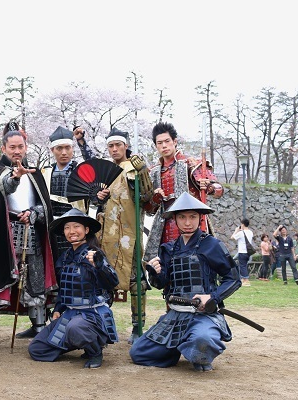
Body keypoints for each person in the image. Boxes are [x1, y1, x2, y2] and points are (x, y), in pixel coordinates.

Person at [129, 192, 241, 372]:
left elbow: (234, 279)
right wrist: (154, 273)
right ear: (174, 219)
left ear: (200, 218)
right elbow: (161, 284)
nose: (187, 222)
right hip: (175, 315)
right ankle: (176, 348)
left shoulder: (212, 245)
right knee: (138, 353)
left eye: (192, 217)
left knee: (203, 340)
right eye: (182, 217)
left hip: (203, 314)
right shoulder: (168, 248)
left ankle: (198, 351)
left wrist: (212, 297)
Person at [0, 125, 57, 343]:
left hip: (30, 231)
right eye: (12, 147)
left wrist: (33, 214)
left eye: (20, 147)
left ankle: (38, 326)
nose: (17, 151)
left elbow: (45, 207)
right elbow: (5, 187)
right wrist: (15, 177)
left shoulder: (35, 174)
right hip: (1, 235)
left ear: (26, 148)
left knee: (34, 277)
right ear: (3, 148)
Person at [28, 208, 119, 369]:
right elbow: (67, 287)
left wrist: (99, 266)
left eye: (76, 226)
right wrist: (58, 308)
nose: (72, 231)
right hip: (70, 313)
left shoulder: (95, 254)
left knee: (75, 328)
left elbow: (112, 282)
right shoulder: (65, 257)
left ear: (86, 230)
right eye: (67, 227)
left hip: (92, 314)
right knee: (37, 349)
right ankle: (77, 341)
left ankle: (95, 350)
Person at [96, 128, 153, 344]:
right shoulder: (105, 170)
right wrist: (98, 196)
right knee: (103, 279)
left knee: (136, 281)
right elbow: (97, 202)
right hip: (107, 233)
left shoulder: (133, 168)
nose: (114, 149)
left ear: (125, 145)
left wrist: (143, 172)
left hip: (130, 231)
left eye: (117, 145)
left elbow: (147, 197)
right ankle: (103, 324)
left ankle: (138, 326)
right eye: (110, 146)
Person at [143, 122, 224, 264]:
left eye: (167, 141)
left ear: (175, 142)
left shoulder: (190, 163)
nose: (164, 146)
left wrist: (208, 186)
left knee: (196, 263)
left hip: (191, 222)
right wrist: (156, 198)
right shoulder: (153, 171)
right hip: (164, 225)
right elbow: (149, 209)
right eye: (160, 143)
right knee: (167, 263)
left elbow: (219, 190)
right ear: (156, 146)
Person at [41, 125, 94, 258]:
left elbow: (95, 165)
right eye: (59, 148)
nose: (64, 152)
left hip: (76, 228)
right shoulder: (45, 172)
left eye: (67, 147)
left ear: (72, 149)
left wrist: (82, 142)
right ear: (52, 150)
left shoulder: (81, 170)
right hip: (52, 227)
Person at [231, 218, 254, 286]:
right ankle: (243, 279)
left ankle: (246, 280)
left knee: (242, 266)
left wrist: (236, 231)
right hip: (248, 252)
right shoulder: (250, 232)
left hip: (242, 251)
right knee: (244, 265)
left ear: (243, 224)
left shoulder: (241, 233)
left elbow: (232, 237)